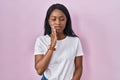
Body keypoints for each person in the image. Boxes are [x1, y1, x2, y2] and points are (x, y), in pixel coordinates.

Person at [34, 3, 84, 80]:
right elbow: (39, 71)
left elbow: (79, 68)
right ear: (48, 21)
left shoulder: (75, 41)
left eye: (62, 19)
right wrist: (52, 45)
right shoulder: (41, 41)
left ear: (67, 20)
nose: (58, 23)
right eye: (54, 19)